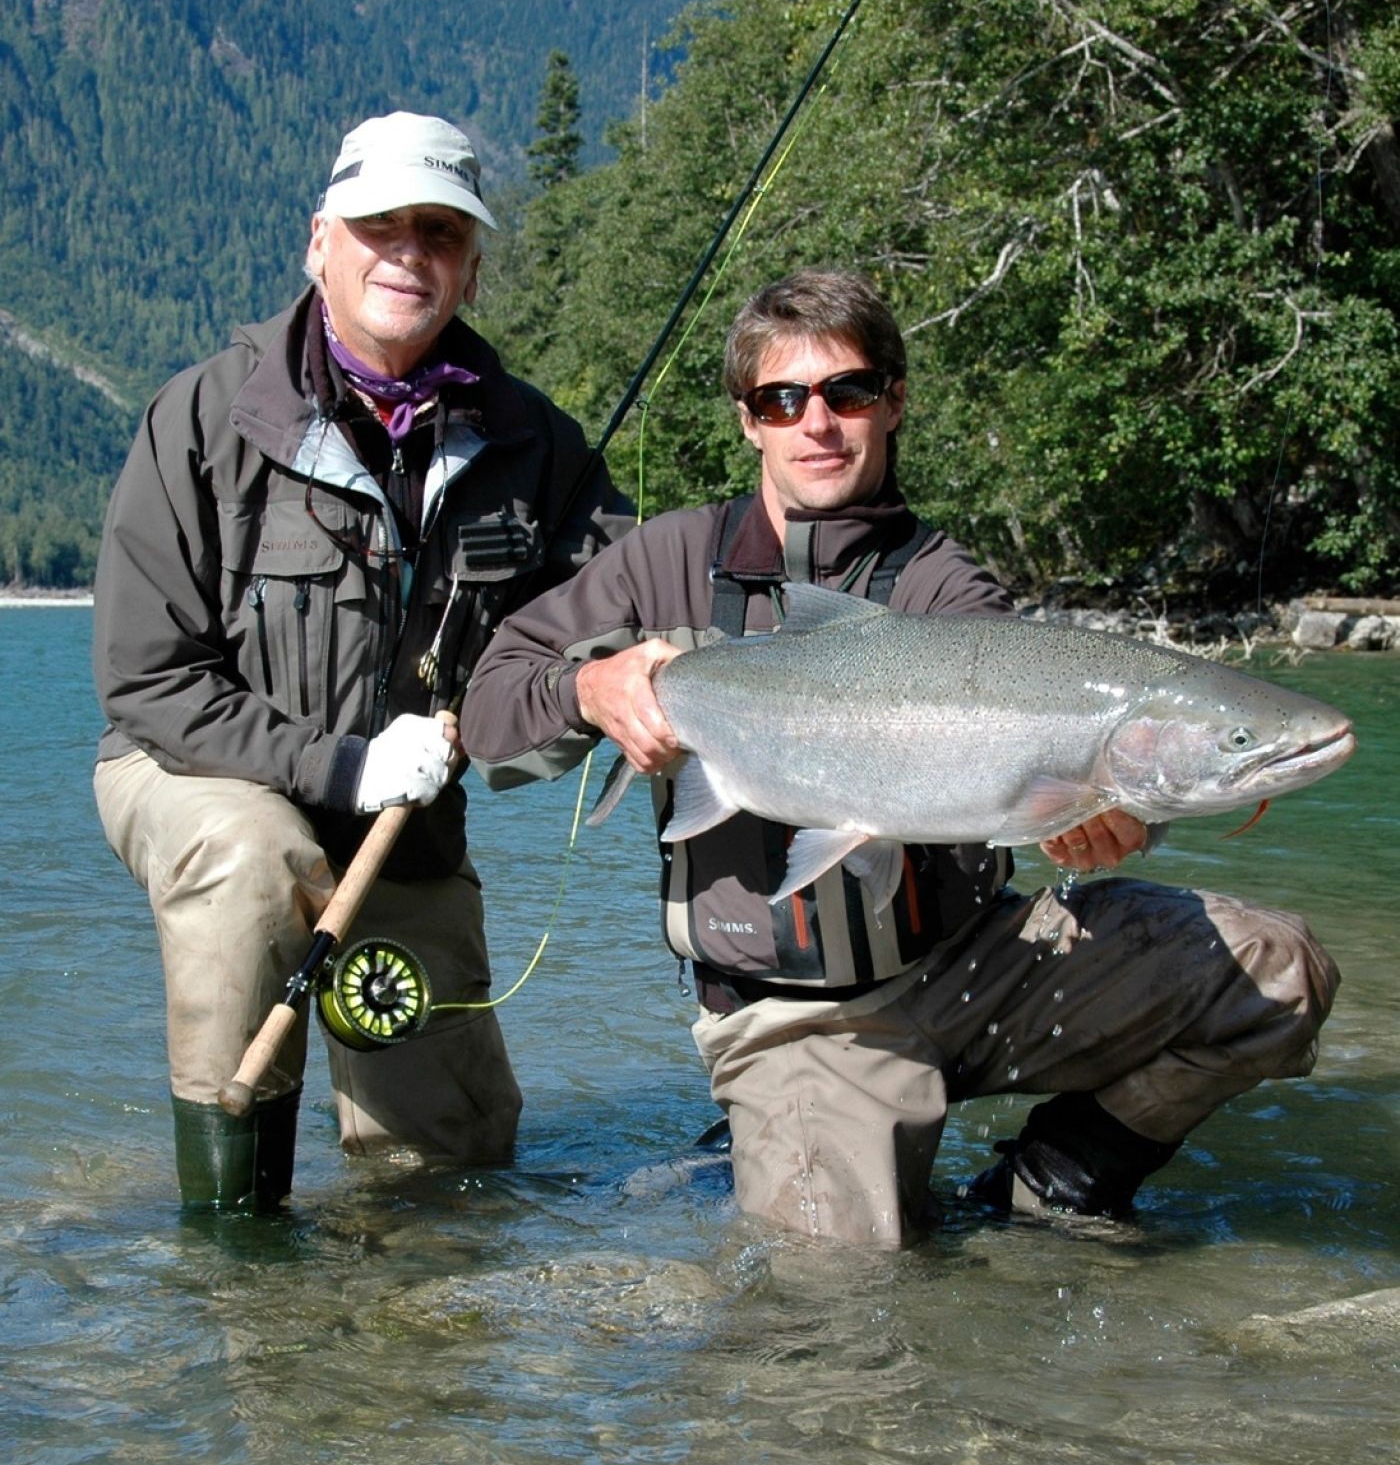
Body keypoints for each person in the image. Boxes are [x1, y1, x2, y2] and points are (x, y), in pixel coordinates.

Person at [458, 267, 1340, 1246]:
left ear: (893, 401)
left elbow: (1056, 795)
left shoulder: (945, 584)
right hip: (796, 1017)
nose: (816, 421)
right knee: (844, 1301)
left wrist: (1100, 823)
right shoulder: (663, 561)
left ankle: (1055, 1180)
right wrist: (592, 690)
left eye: (847, 391)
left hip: (974, 968)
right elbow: (490, 715)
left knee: (1275, 974)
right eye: (781, 398)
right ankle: (770, 1131)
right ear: (748, 420)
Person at [92, 110, 632, 1213]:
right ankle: (237, 1235)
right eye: (378, 225)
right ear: (318, 242)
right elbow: (148, 680)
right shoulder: (202, 418)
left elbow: (608, 626)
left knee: (450, 1174)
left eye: (438, 232)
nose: (407, 253)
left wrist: (585, 696)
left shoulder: (535, 446)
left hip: (406, 830)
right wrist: (341, 767)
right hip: (194, 777)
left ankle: (397, 1328)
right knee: (255, 860)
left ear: (471, 268)